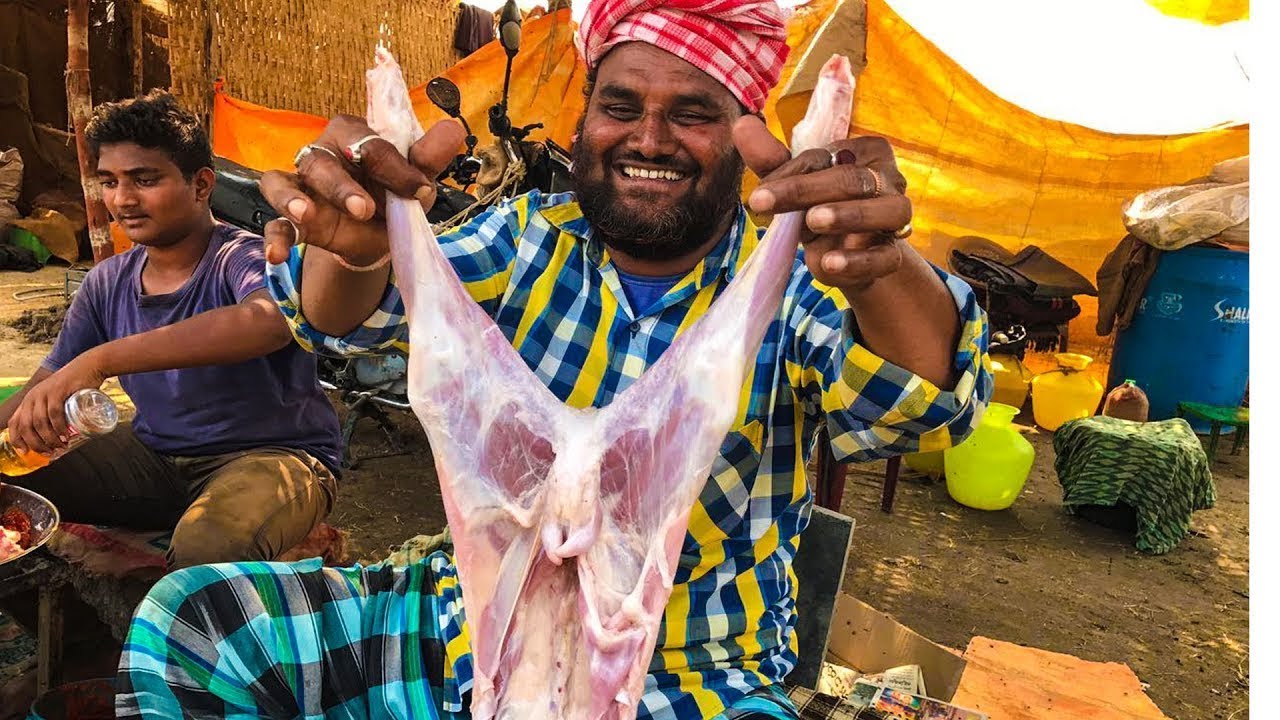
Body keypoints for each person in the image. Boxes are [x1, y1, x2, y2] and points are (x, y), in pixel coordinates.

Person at [116, 0, 992, 717]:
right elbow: (355, 319)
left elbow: (920, 404)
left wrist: (878, 266)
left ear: (745, 137)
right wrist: (355, 247)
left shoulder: (793, 288)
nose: (648, 138)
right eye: (620, 107)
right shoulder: (526, 242)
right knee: (193, 625)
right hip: (460, 631)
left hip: (692, 681)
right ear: (586, 119)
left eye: (693, 113)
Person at [0, 90, 343, 570]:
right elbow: (45, 385)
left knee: (207, 551)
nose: (123, 199)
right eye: (110, 181)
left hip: (272, 457)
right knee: (13, 485)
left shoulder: (242, 257)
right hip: (156, 457)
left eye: (145, 179)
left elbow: (269, 322)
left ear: (201, 185)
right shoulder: (108, 281)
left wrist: (101, 359)